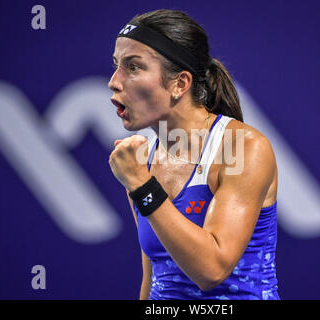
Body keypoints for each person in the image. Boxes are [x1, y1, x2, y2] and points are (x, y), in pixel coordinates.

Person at [108, 9, 279, 300]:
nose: (114, 81)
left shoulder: (243, 147)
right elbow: (153, 278)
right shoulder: (144, 160)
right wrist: (140, 182)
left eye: (133, 67)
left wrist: (142, 185)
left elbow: (211, 270)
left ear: (180, 84)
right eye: (116, 65)